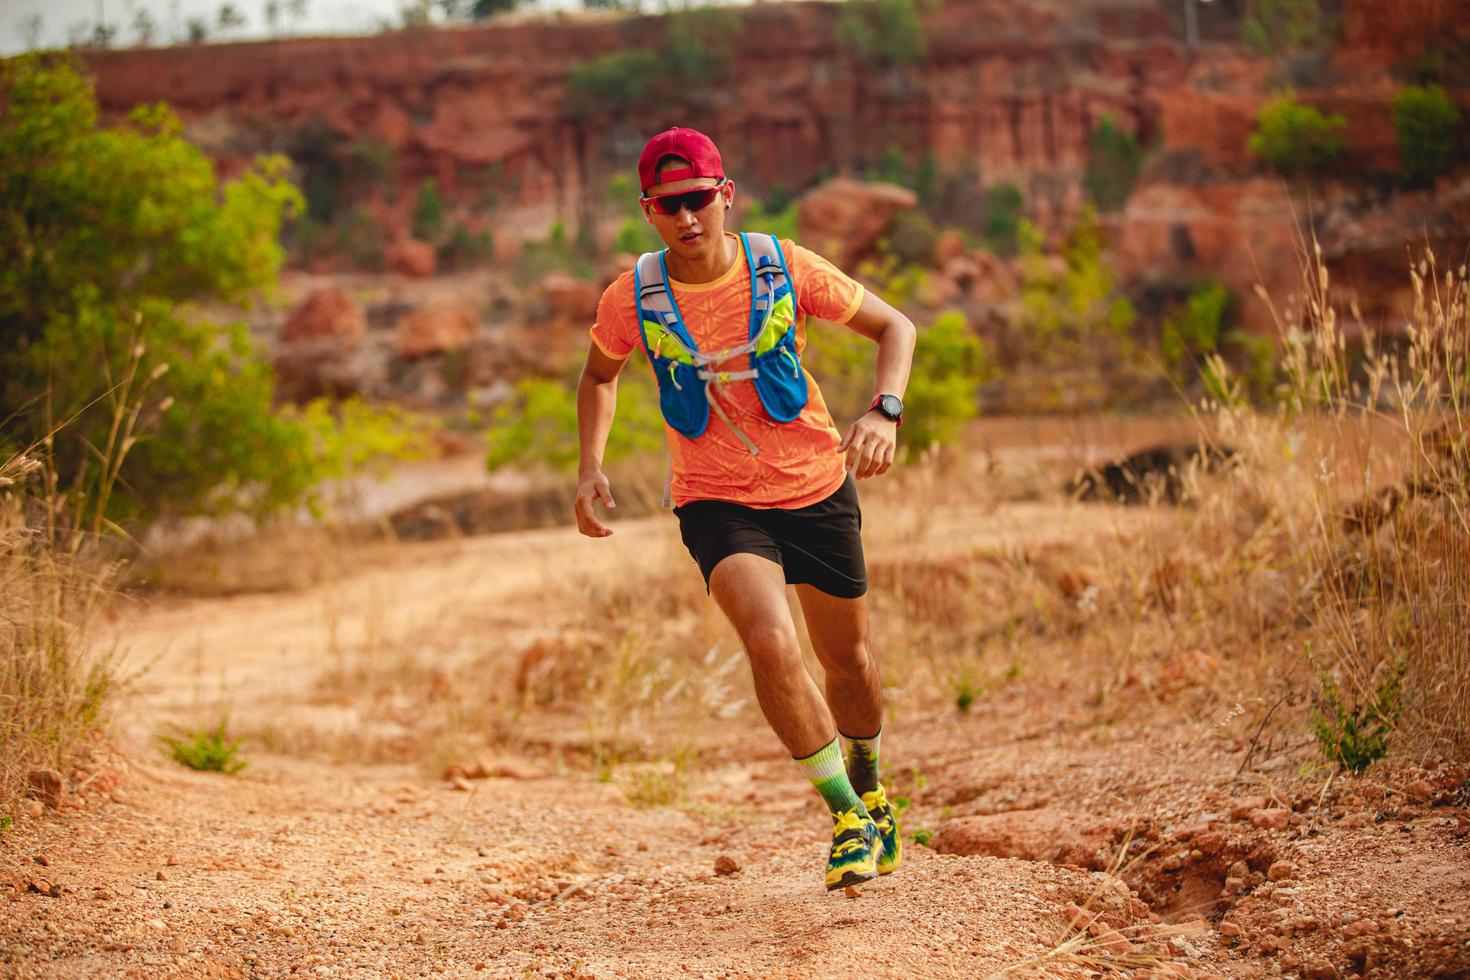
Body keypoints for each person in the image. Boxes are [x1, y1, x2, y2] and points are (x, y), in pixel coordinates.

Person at [573, 127, 916, 892]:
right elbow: (599, 376)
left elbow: (897, 326)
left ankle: (870, 780)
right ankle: (846, 818)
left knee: (848, 662)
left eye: (698, 200)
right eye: (670, 206)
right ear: (649, 212)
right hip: (715, 500)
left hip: (817, 484)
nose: (687, 218)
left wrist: (884, 411)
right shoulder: (631, 295)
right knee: (767, 641)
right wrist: (591, 468)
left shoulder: (783, 266)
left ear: (725, 195)